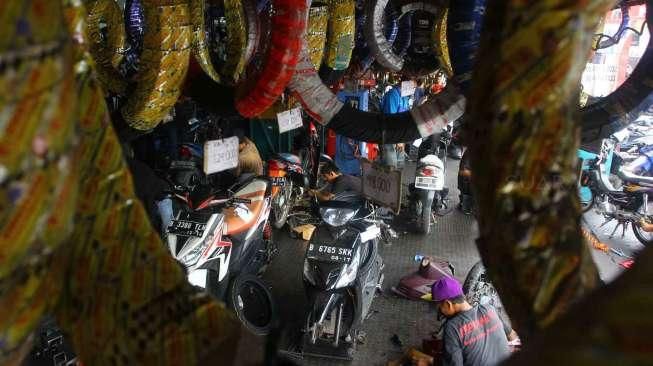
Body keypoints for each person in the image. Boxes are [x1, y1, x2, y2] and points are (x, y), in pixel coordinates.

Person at [430, 277, 510, 366]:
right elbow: (511, 334)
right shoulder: (489, 308)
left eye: (439, 307)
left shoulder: (452, 328)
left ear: (448, 304)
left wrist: (430, 361)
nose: (439, 310)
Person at [381, 76, 410, 168]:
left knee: (400, 166)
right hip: (390, 137)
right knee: (391, 167)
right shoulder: (393, 95)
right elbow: (391, 120)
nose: (414, 89)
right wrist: (398, 140)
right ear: (405, 84)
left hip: (400, 137)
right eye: (412, 86)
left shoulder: (405, 97)